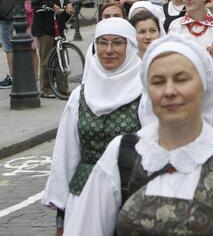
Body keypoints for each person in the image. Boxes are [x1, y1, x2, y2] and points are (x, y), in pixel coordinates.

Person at [64, 34, 213, 235]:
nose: (169, 91)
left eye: (181, 79)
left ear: (204, 87)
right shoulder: (123, 154)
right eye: (158, 82)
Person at [43, 18, 143, 232]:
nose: (108, 50)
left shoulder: (144, 93)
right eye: (102, 42)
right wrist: (61, 209)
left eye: (117, 42)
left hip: (131, 194)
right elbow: (66, 151)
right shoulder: (80, 95)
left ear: (130, 46)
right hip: (85, 193)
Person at [32, 0, 74, 98]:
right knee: (47, 58)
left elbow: (65, 2)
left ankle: (62, 88)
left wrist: (68, 7)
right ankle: (45, 89)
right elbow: (36, 2)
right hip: (46, 28)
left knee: (61, 56)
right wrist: (51, 5)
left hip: (58, 26)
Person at [0, 0, 15, 88]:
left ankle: (12, 77)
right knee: (7, 46)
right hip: (6, 15)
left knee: (8, 47)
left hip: (6, 17)